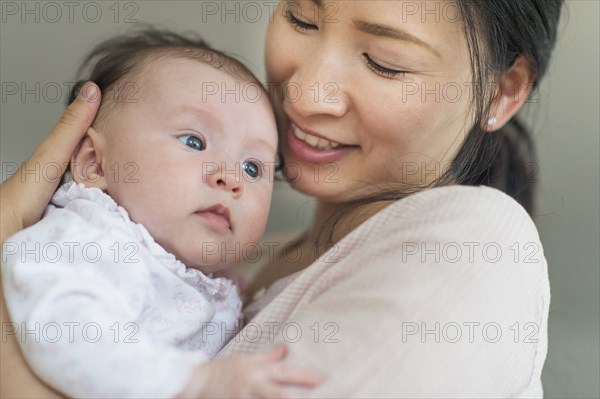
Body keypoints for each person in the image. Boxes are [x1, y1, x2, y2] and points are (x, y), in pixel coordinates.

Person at [1, 0, 564, 397]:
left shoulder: (471, 245)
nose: (304, 91)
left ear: (503, 89)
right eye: (301, 16)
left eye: (384, 62)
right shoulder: (218, 262)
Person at [1, 30, 322, 398]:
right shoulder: (91, 239)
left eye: (253, 168)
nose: (232, 178)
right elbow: (66, 328)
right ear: (94, 164)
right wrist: (193, 382)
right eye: (193, 141)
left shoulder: (218, 282)